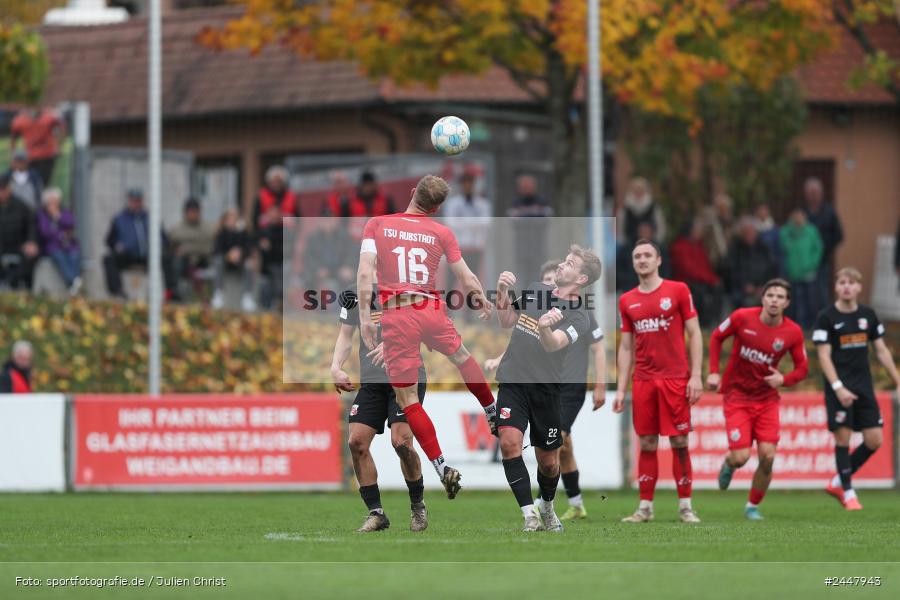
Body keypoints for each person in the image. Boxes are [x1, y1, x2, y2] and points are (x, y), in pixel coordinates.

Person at [357, 174, 497, 499]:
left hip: (397, 314)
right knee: (462, 357)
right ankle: (490, 408)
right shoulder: (441, 231)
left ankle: (441, 467)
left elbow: (365, 272)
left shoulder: (376, 224)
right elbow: (467, 276)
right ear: (435, 209)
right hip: (431, 309)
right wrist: (482, 300)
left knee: (408, 401)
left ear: (411, 193)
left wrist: (365, 316)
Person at [492, 247, 600, 531]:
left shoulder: (580, 316)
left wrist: (544, 328)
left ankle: (548, 508)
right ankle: (529, 515)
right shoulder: (536, 289)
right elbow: (505, 321)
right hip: (514, 381)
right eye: (565, 260)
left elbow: (553, 344)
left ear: (582, 278)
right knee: (508, 443)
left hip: (547, 391)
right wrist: (502, 292)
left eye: (570, 263)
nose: (562, 265)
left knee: (549, 462)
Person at [614, 238, 704, 524]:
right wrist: (621, 388)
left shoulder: (678, 290)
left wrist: (697, 375)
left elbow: (695, 333)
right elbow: (626, 347)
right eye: (637, 256)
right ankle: (645, 507)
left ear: (658, 260)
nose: (642, 260)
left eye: (647, 255)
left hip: (675, 379)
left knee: (679, 440)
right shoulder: (627, 300)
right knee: (648, 442)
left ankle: (686, 506)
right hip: (643, 381)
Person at [708, 279, 808, 520]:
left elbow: (802, 368)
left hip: (766, 400)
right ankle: (729, 464)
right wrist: (713, 371)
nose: (774, 300)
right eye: (770, 295)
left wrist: (784, 380)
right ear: (763, 298)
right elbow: (716, 337)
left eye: (780, 296)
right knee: (741, 457)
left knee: (768, 456)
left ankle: (752, 506)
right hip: (737, 396)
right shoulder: (742, 317)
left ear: (787, 303)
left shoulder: (792, 332)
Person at [332, 284, 429, 533]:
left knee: (401, 443)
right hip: (373, 382)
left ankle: (417, 505)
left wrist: (394, 346)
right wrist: (336, 367)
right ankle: (376, 514)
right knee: (356, 442)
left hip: (406, 377)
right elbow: (345, 335)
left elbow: (423, 329)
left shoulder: (406, 290)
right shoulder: (356, 295)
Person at [813, 267, 900, 511]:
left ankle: (838, 481)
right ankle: (849, 493)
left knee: (874, 439)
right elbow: (824, 356)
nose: (847, 287)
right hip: (838, 388)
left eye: (851, 282)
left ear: (859, 287)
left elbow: (881, 350)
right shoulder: (826, 317)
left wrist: (897, 380)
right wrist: (838, 387)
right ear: (836, 287)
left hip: (864, 387)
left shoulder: (868, 315)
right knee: (843, 437)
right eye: (842, 282)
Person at [532, 260, 606, 522]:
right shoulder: (540, 308)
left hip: (572, 387)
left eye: (555, 277)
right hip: (546, 384)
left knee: (554, 444)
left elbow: (598, 347)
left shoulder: (581, 312)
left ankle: (542, 503)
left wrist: (600, 384)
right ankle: (576, 504)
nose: (552, 282)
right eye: (547, 279)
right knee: (565, 447)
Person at [103, 189, 176, 300]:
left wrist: (159, 247)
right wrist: (117, 246)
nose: (136, 204)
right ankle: (117, 291)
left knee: (167, 258)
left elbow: (164, 239)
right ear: (129, 201)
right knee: (109, 259)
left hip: (148, 255)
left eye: (138, 201)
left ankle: (171, 293)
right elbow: (110, 241)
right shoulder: (119, 219)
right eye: (133, 201)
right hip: (128, 255)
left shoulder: (151, 218)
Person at [441, 169, 491, 308]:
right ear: (461, 185)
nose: (467, 186)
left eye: (470, 183)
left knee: (472, 282)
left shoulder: (482, 203)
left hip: (475, 248)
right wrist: (473, 223)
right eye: (465, 183)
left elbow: (485, 223)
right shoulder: (453, 203)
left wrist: (464, 223)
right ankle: (447, 312)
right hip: (457, 249)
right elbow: (451, 224)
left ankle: (469, 315)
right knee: (451, 282)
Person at [670, 217, 722, 327]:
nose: (700, 231)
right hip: (686, 282)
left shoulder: (699, 246)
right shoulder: (679, 246)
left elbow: (706, 267)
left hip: (701, 281)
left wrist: (712, 280)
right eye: (697, 228)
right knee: (699, 293)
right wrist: (709, 279)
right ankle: (702, 324)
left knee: (718, 288)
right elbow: (688, 269)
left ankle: (713, 322)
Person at [802, 177, 843, 311]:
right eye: (810, 193)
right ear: (806, 194)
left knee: (821, 292)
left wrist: (825, 248)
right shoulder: (801, 213)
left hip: (822, 260)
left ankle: (822, 320)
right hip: (804, 261)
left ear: (821, 194)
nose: (813, 196)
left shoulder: (829, 212)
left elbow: (839, 235)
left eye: (816, 193)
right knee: (805, 292)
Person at [780, 209, 822, 328]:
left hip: (809, 273)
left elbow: (818, 249)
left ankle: (812, 326)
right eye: (796, 217)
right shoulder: (786, 232)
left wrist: (812, 264)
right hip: (793, 273)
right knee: (796, 303)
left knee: (811, 301)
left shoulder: (811, 231)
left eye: (801, 217)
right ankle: (798, 327)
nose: (798, 219)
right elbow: (782, 251)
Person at [36, 187, 81, 295]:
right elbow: (45, 232)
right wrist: (61, 234)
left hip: (69, 245)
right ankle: (74, 281)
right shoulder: (42, 215)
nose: (54, 204)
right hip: (53, 246)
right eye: (51, 202)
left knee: (74, 255)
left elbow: (71, 224)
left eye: (56, 201)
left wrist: (57, 216)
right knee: (60, 257)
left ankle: (72, 284)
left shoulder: (64, 212)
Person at [210, 209, 256, 312]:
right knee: (217, 261)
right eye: (229, 219)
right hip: (225, 263)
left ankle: (247, 296)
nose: (232, 221)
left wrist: (240, 254)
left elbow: (248, 249)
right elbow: (217, 250)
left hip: (240, 262)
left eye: (234, 219)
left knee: (249, 264)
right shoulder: (220, 233)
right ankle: (218, 293)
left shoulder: (244, 233)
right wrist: (228, 255)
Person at [168, 198, 215, 296]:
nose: (193, 215)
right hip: (184, 263)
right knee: (175, 261)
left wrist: (188, 248)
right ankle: (175, 291)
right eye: (190, 212)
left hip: (203, 261)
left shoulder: (208, 228)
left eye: (195, 212)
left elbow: (211, 248)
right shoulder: (177, 229)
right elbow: (171, 246)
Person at [0, 173, 39, 290]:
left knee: (31, 256)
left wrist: (31, 241)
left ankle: (17, 284)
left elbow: (31, 225)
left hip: (19, 245)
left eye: (2, 189)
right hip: (1, 246)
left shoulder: (21, 206)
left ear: (8, 189)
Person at [728, 217, 777, 309]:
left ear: (756, 232)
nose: (749, 235)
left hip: (763, 287)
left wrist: (763, 286)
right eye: (746, 232)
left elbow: (772, 269)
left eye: (751, 232)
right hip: (742, 289)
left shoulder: (764, 248)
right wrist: (744, 285)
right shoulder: (736, 250)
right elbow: (732, 271)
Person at [10, 107, 65, 186]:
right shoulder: (20, 120)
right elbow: (13, 136)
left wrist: (59, 145)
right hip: (30, 157)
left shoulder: (49, 117)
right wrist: (13, 154)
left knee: (45, 182)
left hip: (47, 155)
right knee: (31, 183)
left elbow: (62, 126)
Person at [303, 217, 355, 293]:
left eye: (330, 221)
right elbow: (308, 258)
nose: (327, 224)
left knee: (349, 282)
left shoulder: (344, 236)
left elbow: (351, 253)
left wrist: (348, 266)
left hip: (339, 269)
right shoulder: (313, 237)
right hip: (320, 271)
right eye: (325, 221)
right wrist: (317, 269)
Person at [616, 177, 666, 248]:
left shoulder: (654, 208)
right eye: (635, 190)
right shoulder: (624, 210)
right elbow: (620, 232)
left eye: (641, 190)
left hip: (651, 245)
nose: (638, 193)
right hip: (630, 246)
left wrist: (656, 242)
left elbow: (661, 228)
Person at [256, 204, 285, 310]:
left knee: (278, 282)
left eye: (275, 214)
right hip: (266, 269)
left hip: (280, 266)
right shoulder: (263, 231)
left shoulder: (284, 231)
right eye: (271, 214)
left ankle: (277, 304)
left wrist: (270, 247)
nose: (273, 217)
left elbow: (284, 251)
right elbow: (260, 249)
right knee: (265, 286)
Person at [253, 165, 298, 230]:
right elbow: (255, 219)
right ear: (269, 182)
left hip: (287, 234)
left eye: (279, 181)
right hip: (267, 234)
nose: (276, 184)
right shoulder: (261, 195)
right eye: (274, 181)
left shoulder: (291, 196)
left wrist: (282, 217)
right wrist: (269, 218)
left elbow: (298, 220)